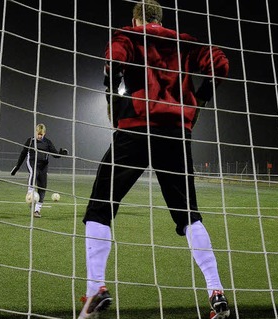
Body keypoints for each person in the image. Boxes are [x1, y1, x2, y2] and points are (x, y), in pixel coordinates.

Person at [78, 1, 230, 318]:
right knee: (189, 215)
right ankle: (216, 293)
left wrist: (114, 104)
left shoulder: (128, 36)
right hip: (175, 132)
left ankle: (96, 289)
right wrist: (200, 99)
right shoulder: (184, 41)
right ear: (161, 19)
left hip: (136, 129)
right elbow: (221, 64)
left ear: (135, 20)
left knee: (99, 207)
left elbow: (112, 62)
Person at [11, 123, 68, 218]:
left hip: (43, 166)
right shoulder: (30, 141)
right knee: (34, 172)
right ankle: (30, 192)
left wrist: (61, 153)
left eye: (41, 134)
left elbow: (55, 154)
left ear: (44, 133)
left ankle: (37, 211)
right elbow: (23, 154)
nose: (40, 136)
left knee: (43, 187)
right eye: (38, 134)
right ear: (35, 132)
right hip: (32, 163)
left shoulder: (48, 142)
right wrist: (17, 166)